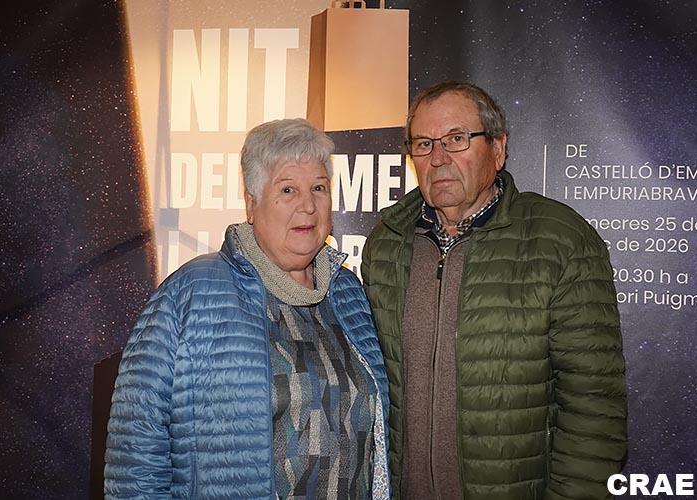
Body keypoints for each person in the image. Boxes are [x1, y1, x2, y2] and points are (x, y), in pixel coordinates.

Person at [361, 81, 627, 499]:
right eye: (424, 144)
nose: (438, 158)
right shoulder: (386, 242)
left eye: (457, 139)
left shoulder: (559, 240)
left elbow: (593, 408)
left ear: (498, 148)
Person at [105, 118, 390, 499]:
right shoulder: (191, 293)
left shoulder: (347, 292)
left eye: (318, 188)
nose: (308, 205)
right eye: (287, 189)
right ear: (252, 203)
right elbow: (135, 450)